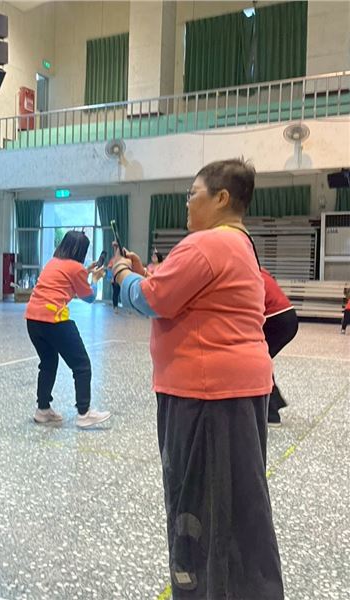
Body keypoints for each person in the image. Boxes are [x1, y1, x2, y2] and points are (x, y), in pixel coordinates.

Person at [111, 159, 283, 599]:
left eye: (193, 194)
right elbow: (186, 294)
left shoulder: (206, 243)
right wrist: (147, 275)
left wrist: (124, 276)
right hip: (236, 390)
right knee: (240, 508)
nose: (187, 203)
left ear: (221, 198)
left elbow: (153, 300)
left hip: (205, 394)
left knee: (200, 510)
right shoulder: (239, 244)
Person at [24, 231, 111, 428]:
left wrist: (86, 271)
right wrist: (95, 279)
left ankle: (42, 409)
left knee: (48, 363)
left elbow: (66, 278)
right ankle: (84, 413)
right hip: (54, 320)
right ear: (81, 251)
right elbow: (89, 297)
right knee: (82, 365)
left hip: (33, 320)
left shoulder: (53, 262)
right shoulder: (76, 268)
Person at [261, 268, 298, 426]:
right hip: (289, 316)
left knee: (258, 361)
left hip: (275, 319)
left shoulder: (247, 271)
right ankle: (273, 404)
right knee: (262, 359)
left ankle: (271, 411)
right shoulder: (260, 270)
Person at [106, 242, 121, 312]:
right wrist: (110, 278)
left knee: (121, 293)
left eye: (116, 248)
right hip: (115, 280)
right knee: (115, 293)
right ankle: (115, 306)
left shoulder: (122, 259)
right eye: (114, 248)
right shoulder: (113, 259)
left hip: (121, 279)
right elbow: (109, 268)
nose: (115, 250)